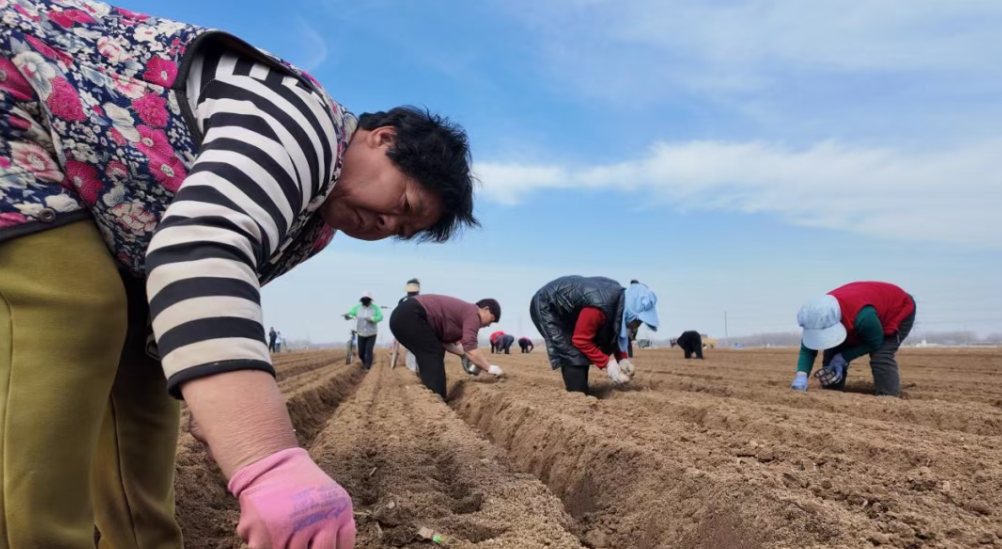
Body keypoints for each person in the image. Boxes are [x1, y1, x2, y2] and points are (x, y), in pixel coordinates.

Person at [0, 1, 478, 547]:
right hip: (20, 95)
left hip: (100, 200)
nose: (388, 222)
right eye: (406, 202)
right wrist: (265, 460)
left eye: (403, 229)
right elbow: (202, 249)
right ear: (382, 138)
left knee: (144, 370)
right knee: (75, 306)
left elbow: (190, 307)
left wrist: (218, 412)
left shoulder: (314, 224)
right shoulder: (305, 126)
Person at [531, 276, 659, 394]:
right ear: (631, 311)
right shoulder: (598, 309)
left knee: (580, 355)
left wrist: (622, 359)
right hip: (548, 305)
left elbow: (614, 333)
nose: (638, 325)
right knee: (572, 354)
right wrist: (608, 364)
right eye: (638, 320)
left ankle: (581, 388)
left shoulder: (619, 302)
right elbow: (581, 340)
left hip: (571, 310)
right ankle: (577, 393)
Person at [791, 281, 916, 397]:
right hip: (858, 311)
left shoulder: (864, 317)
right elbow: (808, 349)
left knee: (881, 355)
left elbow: (875, 342)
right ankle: (831, 394)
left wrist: (844, 357)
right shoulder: (815, 316)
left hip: (897, 309)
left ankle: (888, 397)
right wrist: (801, 374)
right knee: (832, 351)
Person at [390, 295, 503, 399]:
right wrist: (488, 367)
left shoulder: (462, 315)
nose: (488, 325)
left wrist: (462, 355)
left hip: (401, 317)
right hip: (411, 314)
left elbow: (443, 343)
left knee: (432, 350)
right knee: (433, 352)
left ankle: (431, 392)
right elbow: (471, 347)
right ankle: (436, 397)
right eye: (491, 320)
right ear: (485, 309)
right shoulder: (473, 314)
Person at [344, 293, 383, 370]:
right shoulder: (357, 308)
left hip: (372, 333)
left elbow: (380, 317)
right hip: (361, 333)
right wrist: (347, 315)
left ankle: (368, 367)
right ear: (361, 300)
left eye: (367, 299)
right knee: (361, 353)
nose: (365, 301)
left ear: (370, 300)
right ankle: (365, 363)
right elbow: (351, 314)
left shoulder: (375, 308)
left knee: (369, 350)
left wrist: (372, 319)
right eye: (363, 299)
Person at [392, 278, 421, 368]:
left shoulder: (422, 301)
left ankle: (417, 369)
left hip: (420, 329)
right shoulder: (402, 302)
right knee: (411, 350)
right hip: (408, 329)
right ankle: (414, 369)